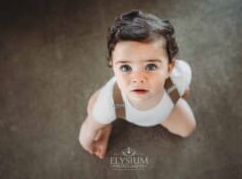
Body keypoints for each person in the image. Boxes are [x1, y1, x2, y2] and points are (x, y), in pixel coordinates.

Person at [78, 10, 196, 159]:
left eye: (151, 67)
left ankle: (159, 113)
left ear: (169, 68)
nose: (138, 79)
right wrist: (89, 144)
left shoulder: (178, 76)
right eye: (126, 68)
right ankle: (106, 124)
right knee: (93, 109)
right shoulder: (111, 102)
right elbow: (88, 129)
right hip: (120, 109)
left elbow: (185, 85)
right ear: (112, 66)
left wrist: (180, 94)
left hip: (164, 112)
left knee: (188, 128)